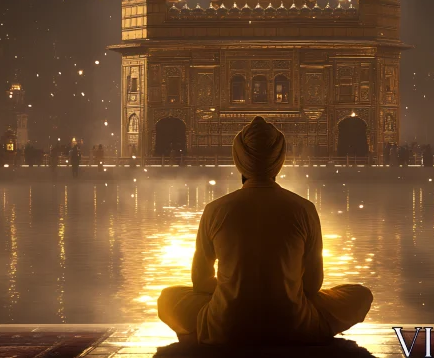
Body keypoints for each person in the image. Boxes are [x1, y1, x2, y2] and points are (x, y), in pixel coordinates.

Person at [157, 117, 373, 345]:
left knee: (167, 298)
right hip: (295, 326)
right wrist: (281, 287)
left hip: (225, 327)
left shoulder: (215, 210)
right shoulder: (303, 208)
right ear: (279, 160)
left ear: (238, 159)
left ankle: (210, 329)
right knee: (359, 296)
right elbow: (312, 284)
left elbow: (200, 282)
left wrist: (235, 288)